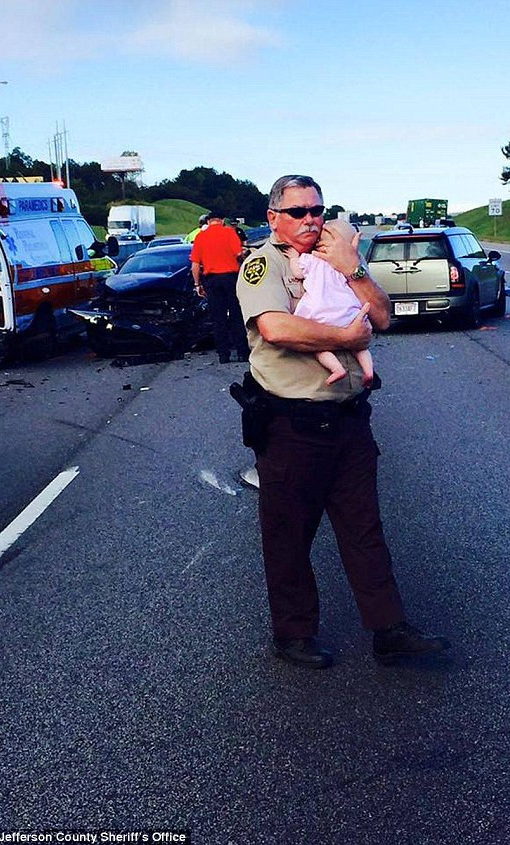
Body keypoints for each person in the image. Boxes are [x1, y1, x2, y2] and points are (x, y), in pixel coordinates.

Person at [236, 174, 451, 669]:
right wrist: (347, 338)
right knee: (289, 536)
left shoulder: (339, 257)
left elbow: (383, 316)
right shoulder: (264, 264)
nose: (310, 220)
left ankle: (389, 629)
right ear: (274, 218)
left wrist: (353, 269)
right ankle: (293, 634)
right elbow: (275, 327)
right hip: (292, 426)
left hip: (350, 420)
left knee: (364, 528)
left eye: (317, 210)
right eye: (298, 212)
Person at [287, 217, 374, 387]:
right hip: (348, 311)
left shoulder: (311, 259)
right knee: (360, 346)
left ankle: (336, 369)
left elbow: (297, 273)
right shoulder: (346, 263)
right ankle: (368, 371)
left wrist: (293, 259)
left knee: (319, 347)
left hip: (319, 312)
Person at [191, 210, 249, 364]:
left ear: (208, 221)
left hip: (212, 281)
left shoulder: (200, 237)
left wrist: (197, 284)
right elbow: (239, 255)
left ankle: (223, 355)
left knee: (218, 319)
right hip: (231, 278)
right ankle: (242, 352)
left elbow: (195, 265)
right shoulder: (230, 233)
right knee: (236, 316)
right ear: (222, 220)